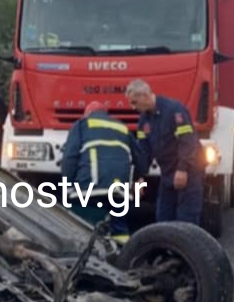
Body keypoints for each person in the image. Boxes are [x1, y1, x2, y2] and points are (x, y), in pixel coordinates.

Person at [125, 79, 204, 225]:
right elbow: (143, 151)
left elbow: (187, 141)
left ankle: (186, 240)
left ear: (145, 96)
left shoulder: (174, 110)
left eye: (134, 102)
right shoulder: (144, 121)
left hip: (189, 171)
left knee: (186, 218)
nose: (133, 107)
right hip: (168, 172)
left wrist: (182, 169)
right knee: (163, 216)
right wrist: (139, 177)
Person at [60, 101, 134, 239]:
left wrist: (68, 185)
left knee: (85, 227)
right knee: (120, 228)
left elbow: (70, 158)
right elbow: (139, 157)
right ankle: (123, 248)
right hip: (119, 188)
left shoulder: (81, 125)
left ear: (87, 114)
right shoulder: (122, 127)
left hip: (91, 186)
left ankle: (93, 245)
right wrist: (136, 179)